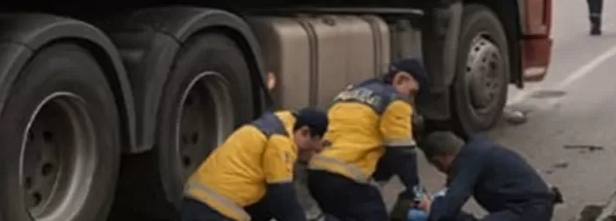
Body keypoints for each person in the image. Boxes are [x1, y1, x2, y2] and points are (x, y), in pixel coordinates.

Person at [306, 58, 430, 221]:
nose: (412, 101)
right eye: (413, 93)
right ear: (401, 79)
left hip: (316, 173)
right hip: (346, 179)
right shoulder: (396, 101)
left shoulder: (349, 93)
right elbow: (402, 152)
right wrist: (418, 192)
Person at [180, 107, 329, 221]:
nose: (306, 156)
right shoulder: (280, 142)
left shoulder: (270, 128)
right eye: (309, 149)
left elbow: (268, 201)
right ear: (305, 132)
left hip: (195, 202)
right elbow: (282, 195)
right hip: (215, 211)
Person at [418, 131, 560, 221]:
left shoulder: (470, 160)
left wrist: (432, 209)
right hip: (530, 204)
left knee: (444, 212)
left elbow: (455, 197)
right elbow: (451, 192)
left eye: (437, 166)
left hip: (530, 209)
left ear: (440, 159)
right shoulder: (475, 152)